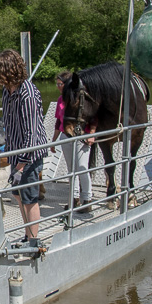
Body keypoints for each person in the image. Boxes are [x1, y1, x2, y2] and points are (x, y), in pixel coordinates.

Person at [0, 49, 48, 244]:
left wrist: (21, 166)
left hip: (29, 154)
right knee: (17, 194)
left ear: (7, 70)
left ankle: (33, 240)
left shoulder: (28, 94)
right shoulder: (7, 92)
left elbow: (31, 134)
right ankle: (27, 233)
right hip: (15, 151)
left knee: (29, 196)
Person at [51, 69, 94, 212]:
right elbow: (59, 121)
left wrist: (91, 134)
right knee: (71, 170)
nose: (58, 87)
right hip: (66, 135)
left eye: (60, 84)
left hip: (81, 136)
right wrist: (54, 140)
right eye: (56, 85)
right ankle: (74, 198)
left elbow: (93, 117)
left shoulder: (79, 96)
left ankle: (87, 199)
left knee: (82, 168)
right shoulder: (60, 100)